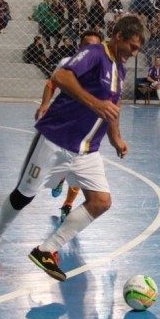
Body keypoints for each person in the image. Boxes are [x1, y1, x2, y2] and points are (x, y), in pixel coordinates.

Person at [0, 17, 147, 282]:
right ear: (117, 36)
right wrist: (94, 103)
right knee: (23, 196)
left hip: (87, 151)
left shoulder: (120, 69)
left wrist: (116, 137)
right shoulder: (93, 54)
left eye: (138, 48)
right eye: (132, 45)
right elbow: (60, 76)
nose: (134, 53)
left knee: (101, 201)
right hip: (56, 139)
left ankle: (47, 250)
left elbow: (113, 106)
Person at [36, 31, 103, 222]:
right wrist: (44, 104)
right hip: (63, 123)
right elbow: (51, 84)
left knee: (81, 169)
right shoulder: (68, 62)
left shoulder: (105, 68)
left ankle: (67, 205)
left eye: (94, 45)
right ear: (79, 47)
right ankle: (59, 179)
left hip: (86, 127)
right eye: (86, 44)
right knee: (58, 164)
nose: (89, 48)